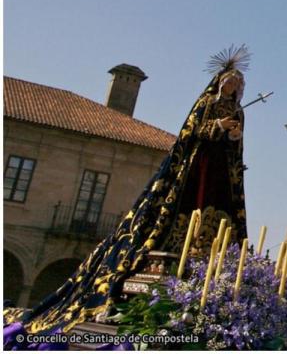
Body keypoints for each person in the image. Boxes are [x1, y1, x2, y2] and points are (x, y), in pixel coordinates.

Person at [4, 47, 250, 334]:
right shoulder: (207, 103)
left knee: (217, 203)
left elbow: (236, 143)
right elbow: (191, 130)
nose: (232, 87)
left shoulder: (238, 111)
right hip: (198, 162)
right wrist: (216, 126)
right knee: (184, 201)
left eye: (236, 84)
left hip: (220, 166)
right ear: (220, 82)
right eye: (229, 82)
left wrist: (232, 134)